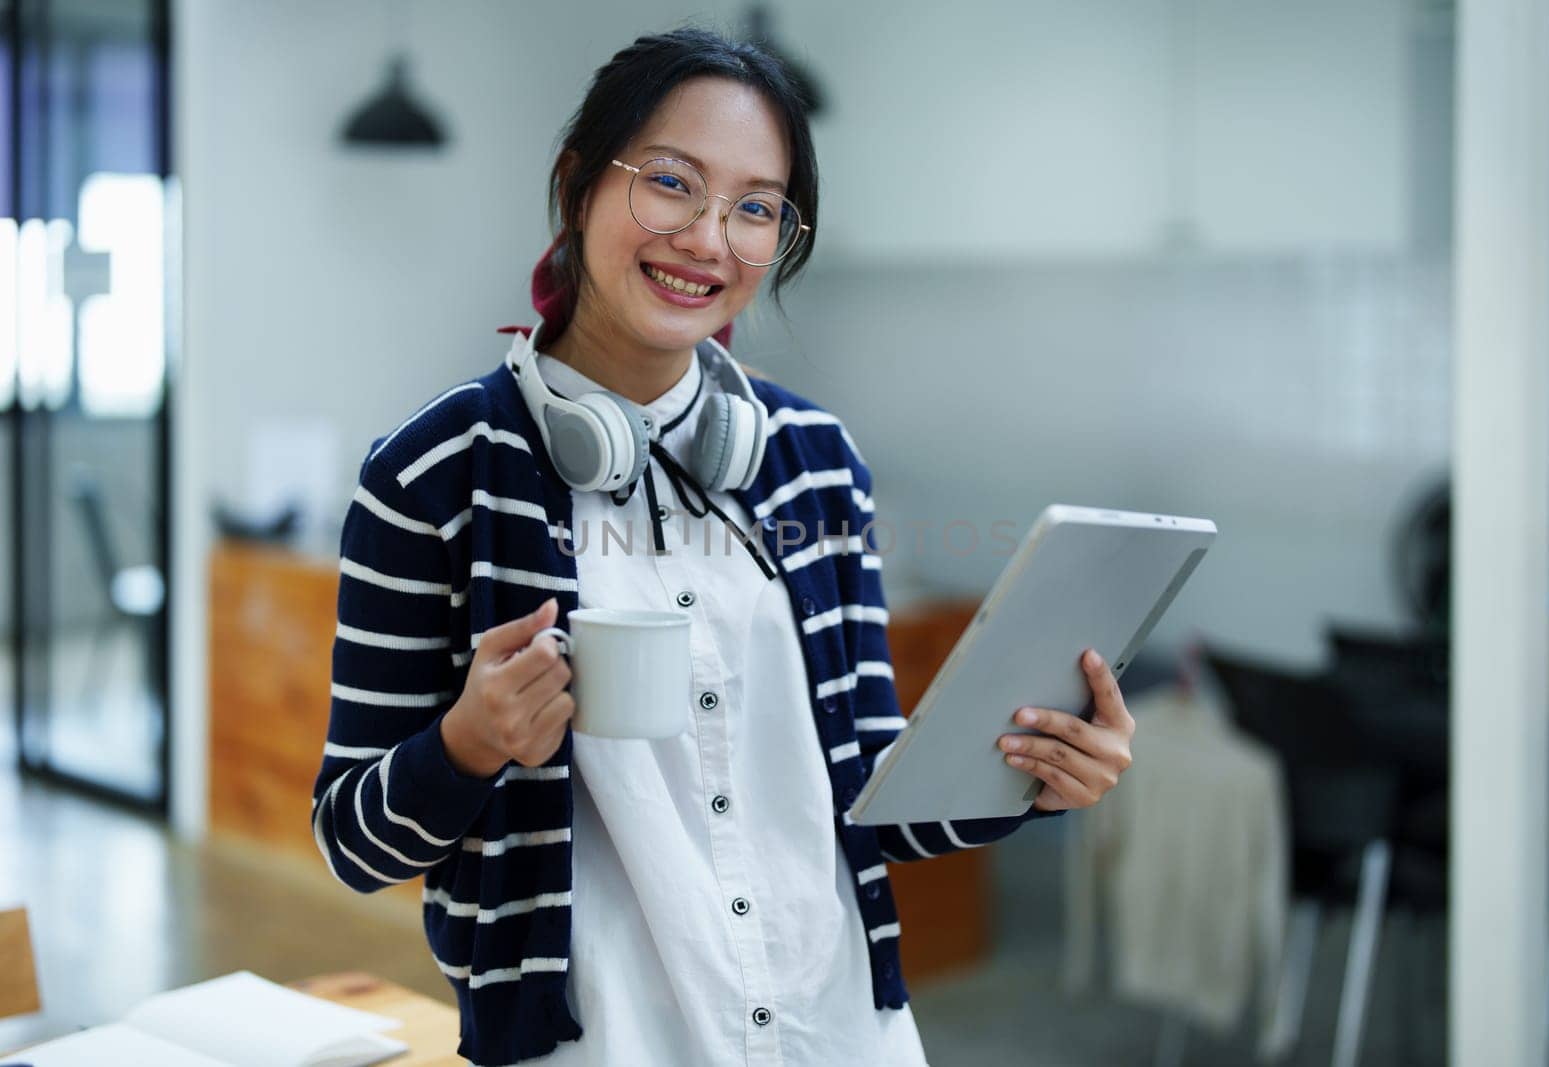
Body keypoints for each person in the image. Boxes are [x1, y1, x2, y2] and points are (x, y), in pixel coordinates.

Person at [311, 25, 1137, 1067]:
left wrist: (1028, 772)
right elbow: (351, 842)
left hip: (843, 1035)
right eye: (671, 183)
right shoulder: (434, 474)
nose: (709, 238)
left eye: (755, 207)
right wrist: (470, 741)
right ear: (577, 185)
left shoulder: (813, 463)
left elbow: (865, 803)